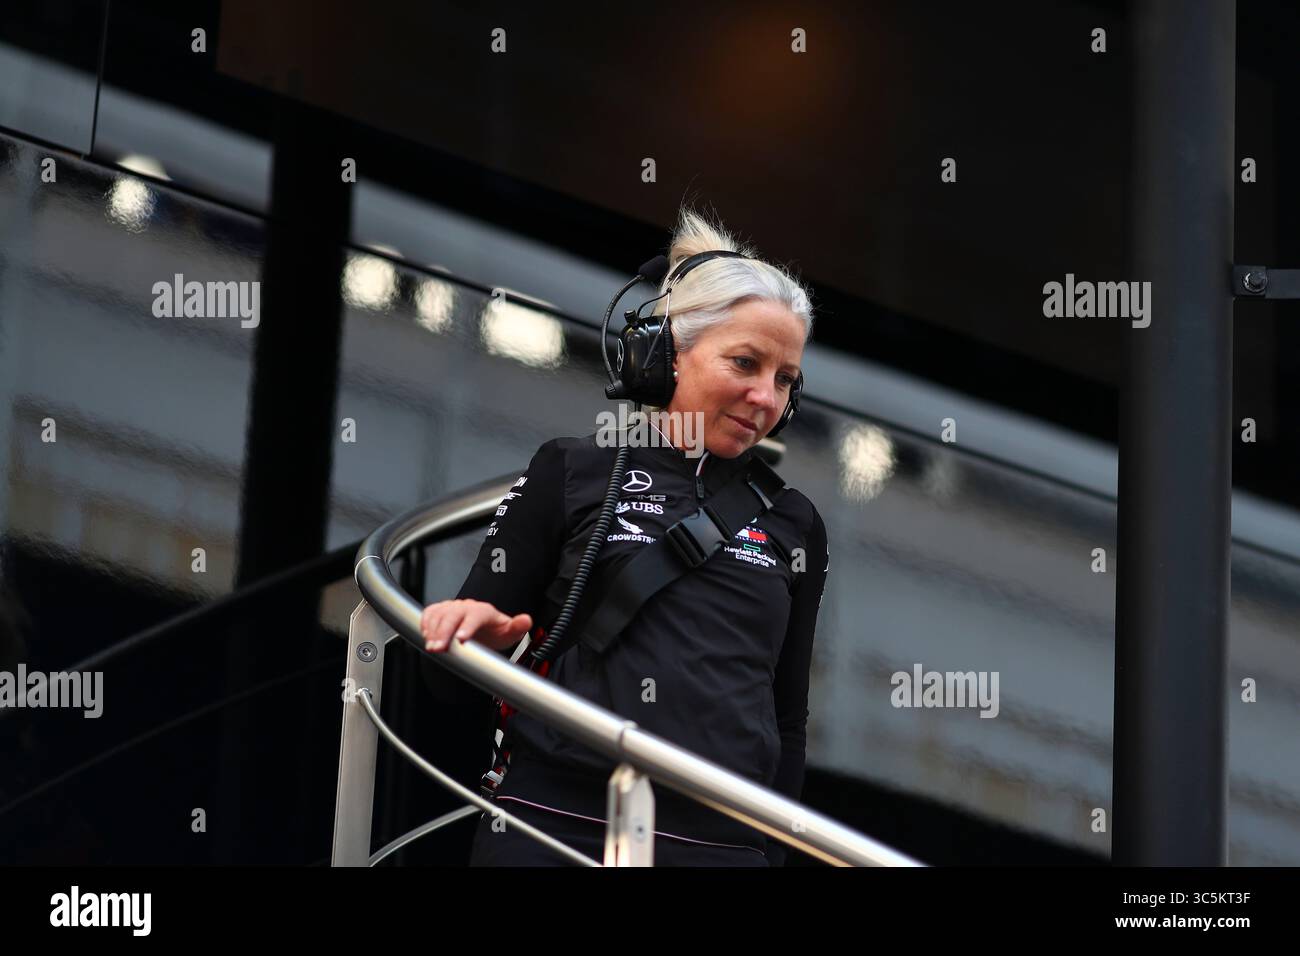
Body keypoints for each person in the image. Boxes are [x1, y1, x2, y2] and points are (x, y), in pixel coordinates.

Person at [421, 206, 829, 866]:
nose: (766, 398)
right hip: (554, 823)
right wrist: (474, 642)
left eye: (785, 380)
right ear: (667, 353)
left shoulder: (794, 520)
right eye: (745, 363)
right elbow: (442, 679)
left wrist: (769, 851)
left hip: (715, 847)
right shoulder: (574, 468)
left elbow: (787, 720)